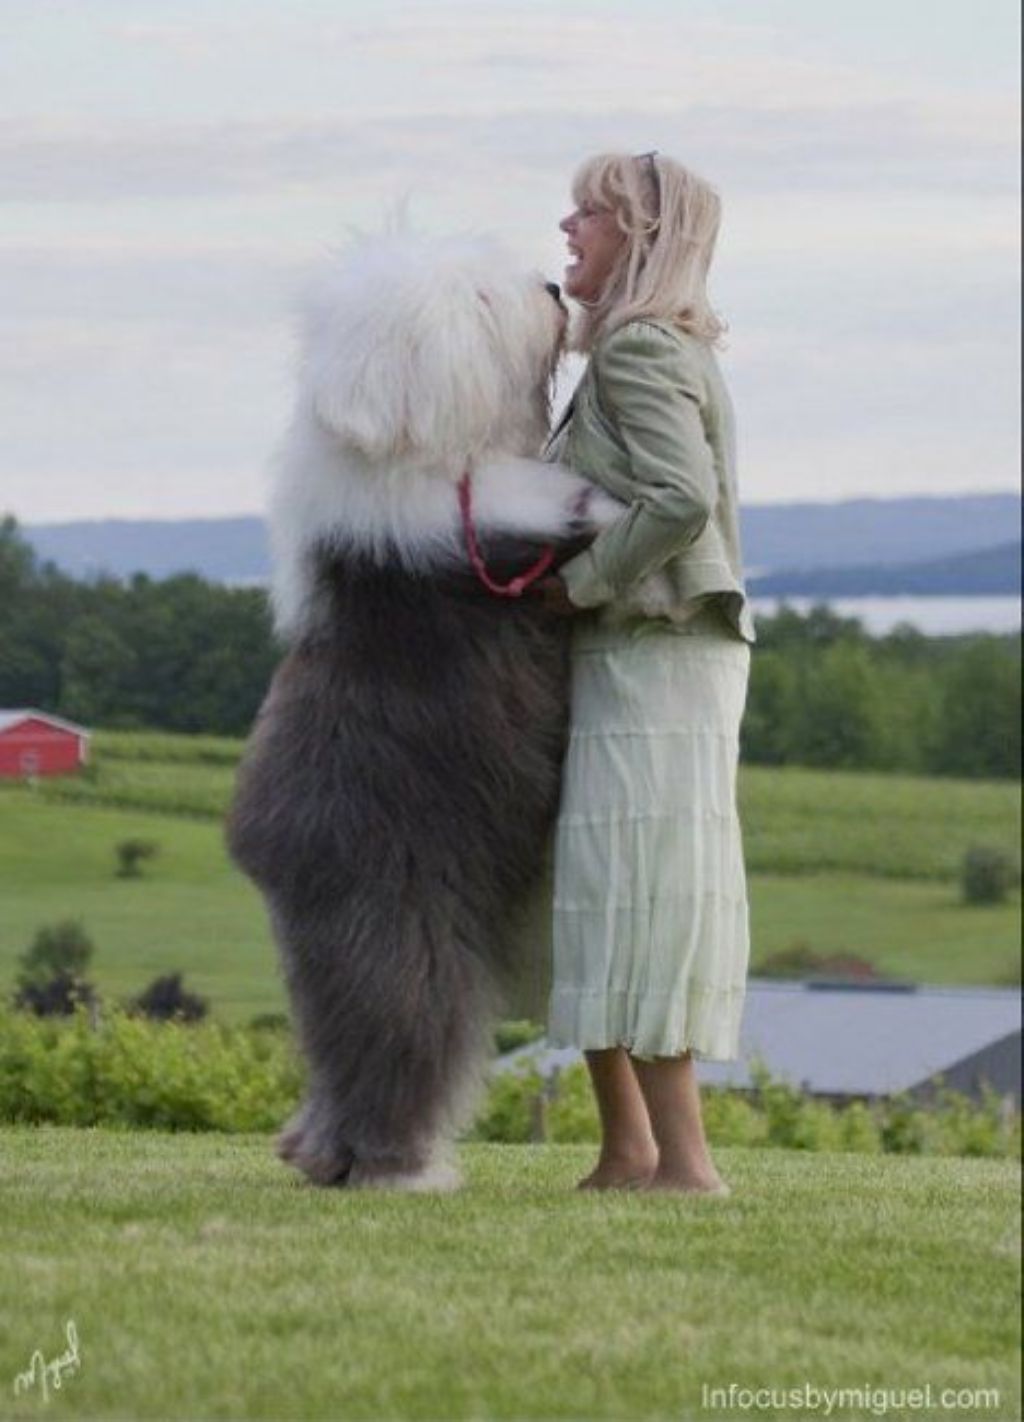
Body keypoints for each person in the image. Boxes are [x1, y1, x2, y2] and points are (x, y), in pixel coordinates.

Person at [536, 151, 756, 1194]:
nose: (568, 226)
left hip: (656, 657)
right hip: (639, 656)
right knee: (599, 890)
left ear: (643, 238)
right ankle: (629, 1150)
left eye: (592, 212)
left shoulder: (634, 354)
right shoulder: (644, 351)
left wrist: (575, 587)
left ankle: (686, 1164)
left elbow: (680, 499)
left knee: (647, 894)